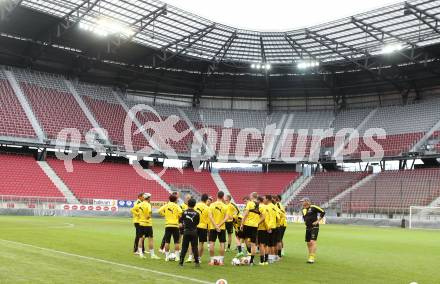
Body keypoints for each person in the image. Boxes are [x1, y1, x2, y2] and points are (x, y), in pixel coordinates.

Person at [134, 193, 160, 259]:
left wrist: (138, 215)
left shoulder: (140, 204)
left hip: (141, 223)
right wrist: (148, 217)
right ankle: (152, 255)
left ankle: (141, 254)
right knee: (150, 239)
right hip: (148, 224)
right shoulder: (148, 204)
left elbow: (132, 210)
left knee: (140, 238)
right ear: (148, 198)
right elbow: (150, 212)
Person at [158, 194, 183, 261]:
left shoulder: (166, 205)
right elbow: (181, 212)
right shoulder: (176, 206)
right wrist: (177, 216)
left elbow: (159, 211)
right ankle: (177, 257)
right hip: (175, 225)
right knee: (176, 242)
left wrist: (164, 215)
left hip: (168, 225)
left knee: (167, 242)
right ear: (175, 200)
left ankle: (166, 257)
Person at [300, 197, 325, 264]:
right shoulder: (303, 210)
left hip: (314, 227)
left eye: (303, 201)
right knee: (308, 243)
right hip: (308, 228)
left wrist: (318, 221)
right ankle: (310, 255)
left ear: (307, 201)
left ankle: (312, 257)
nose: (302, 203)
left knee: (312, 241)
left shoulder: (313, 207)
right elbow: (305, 218)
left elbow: (323, 212)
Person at [208, 191, 230, 266]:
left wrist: (216, 226)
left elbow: (210, 217)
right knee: (222, 244)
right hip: (222, 228)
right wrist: (219, 225)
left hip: (213, 227)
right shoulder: (225, 206)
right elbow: (226, 218)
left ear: (217, 195)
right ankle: (221, 261)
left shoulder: (212, 205)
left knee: (211, 244)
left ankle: (211, 261)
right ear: (223, 196)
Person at [179, 198, 200, 267]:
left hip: (186, 231)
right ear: (194, 205)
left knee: (184, 247)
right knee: (195, 247)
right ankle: (197, 262)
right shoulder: (197, 213)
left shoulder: (184, 212)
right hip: (194, 232)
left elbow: (181, 221)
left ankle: (181, 262)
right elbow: (197, 223)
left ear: (188, 204)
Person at [240, 192, 260, 265]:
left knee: (245, 239)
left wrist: (242, 224)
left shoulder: (250, 203)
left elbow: (245, 214)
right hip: (255, 225)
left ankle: (248, 252)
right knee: (253, 243)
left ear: (252, 196)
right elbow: (262, 216)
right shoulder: (259, 205)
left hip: (247, 224)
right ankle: (251, 260)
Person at [194, 194, 210, 262]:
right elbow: (209, 219)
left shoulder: (196, 205)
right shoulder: (207, 208)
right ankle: (199, 258)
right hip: (203, 227)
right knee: (201, 243)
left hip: (195, 226)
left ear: (201, 198)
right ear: (206, 200)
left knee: (194, 242)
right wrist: (209, 229)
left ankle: (192, 257)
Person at [266, 195, 280, 263]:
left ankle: (271, 258)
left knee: (270, 244)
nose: (264, 200)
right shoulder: (274, 206)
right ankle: (274, 257)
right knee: (273, 243)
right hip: (275, 226)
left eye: (264, 198)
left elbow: (271, 218)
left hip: (271, 227)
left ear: (267, 199)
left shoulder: (269, 207)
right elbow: (278, 217)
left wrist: (269, 227)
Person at [256, 196, 269, 265]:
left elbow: (263, 218)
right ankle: (266, 260)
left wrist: (257, 223)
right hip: (267, 227)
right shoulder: (266, 207)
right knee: (266, 245)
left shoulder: (260, 207)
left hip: (261, 228)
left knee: (261, 245)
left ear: (258, 200)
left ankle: (262, 261)